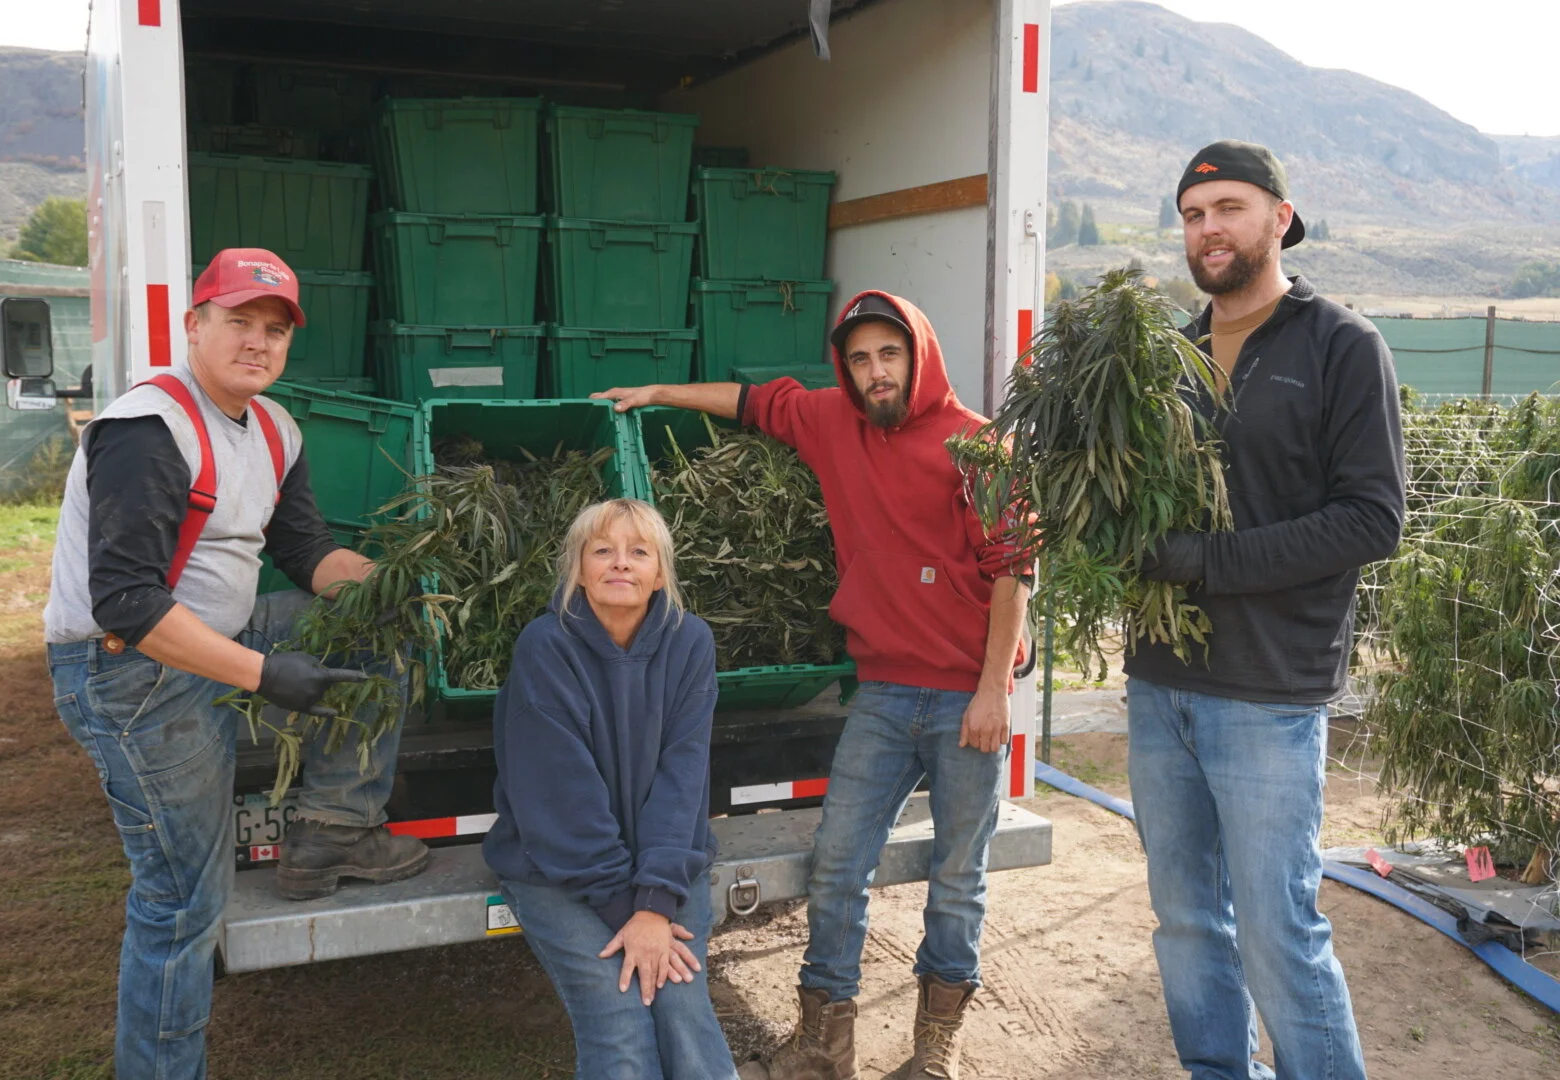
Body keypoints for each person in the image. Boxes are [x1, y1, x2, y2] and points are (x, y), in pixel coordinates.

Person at [593, 292, 1031, 1080]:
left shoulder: (980, 448)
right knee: (837, 863)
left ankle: (936, 1049)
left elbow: (1014, 571)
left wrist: (994, 689)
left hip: (967, 696)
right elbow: (752, 403)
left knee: (958, 875)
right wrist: (658, 392)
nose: (875, 372)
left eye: (889, 354)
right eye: (860, 359)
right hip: (884, 692)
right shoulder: (832, 422)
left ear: (919, 356)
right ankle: (825, 1041)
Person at [44, 248, 430, 1080]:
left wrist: (399, 588)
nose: (258, 342)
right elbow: (126, 603)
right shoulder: (149, 430)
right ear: (194, 325)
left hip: (218, 635)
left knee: (373, 630)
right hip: (127, 671)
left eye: (275, 329)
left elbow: (306, 551)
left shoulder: (275, 428)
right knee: (183, 898)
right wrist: (263, 675)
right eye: (239, 321)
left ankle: (334, 831)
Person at [1130, 141, 1405, 1079]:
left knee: (1278, 929)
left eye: (1228, 209)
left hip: (1269, 691)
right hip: (1160, 681)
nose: (1208, 229)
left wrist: (1205, 561)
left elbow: (1371, 519)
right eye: (1192, 215)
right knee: (1185, 920)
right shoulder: (1164, 357)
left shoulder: (1341, 345)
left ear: (1280, 219)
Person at [484, 498, 737, 1080]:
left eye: (638, 552)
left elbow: (684, 777)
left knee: (684, 1012)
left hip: (664, 864)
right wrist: (631, 914)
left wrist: (655, 903)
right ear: (578, 569)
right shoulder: (545, 645)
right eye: (603, 550)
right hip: (559, 868)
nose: (620, 563)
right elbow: (561, 796)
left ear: (660, 574)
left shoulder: (690, 641)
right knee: (621, 1026)